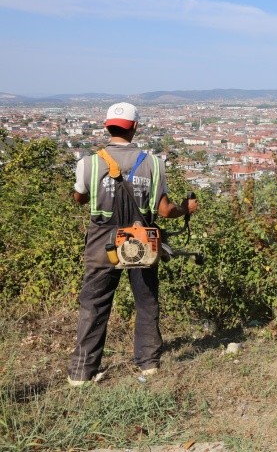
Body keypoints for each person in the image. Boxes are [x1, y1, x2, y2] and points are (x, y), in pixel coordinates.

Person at [67, 102, 198, 386]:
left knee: (94, 304)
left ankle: (81, 373)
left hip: (102, 242)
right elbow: (164, 210)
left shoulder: (88, 163)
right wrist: (185, 209)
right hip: (141, 239)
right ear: (135, 127)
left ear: (107, 126)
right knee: (147, 300)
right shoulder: (153, 164)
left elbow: (79, 198)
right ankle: (149, 363)